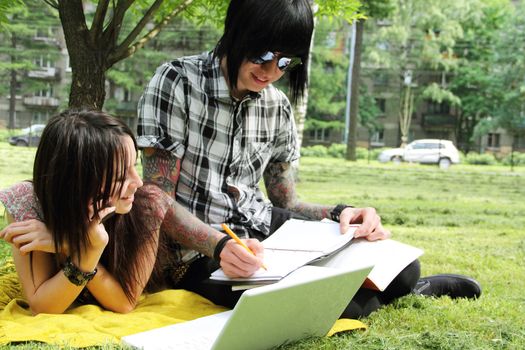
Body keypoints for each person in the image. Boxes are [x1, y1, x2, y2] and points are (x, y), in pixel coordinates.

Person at [137, 0, 480, 317]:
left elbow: (287, 201)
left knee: (403, 266)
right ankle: (393, 297)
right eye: (263, 54)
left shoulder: (277, 106)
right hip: (197, 252)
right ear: (236, 34)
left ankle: (403, 286)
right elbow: (157, 200)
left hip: (263, 229)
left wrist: (341, 214)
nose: (271, 71)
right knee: (331, 305)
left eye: (285, 61)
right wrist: (219, 245)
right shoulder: (177, 82)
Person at [0, 110, 265, 315]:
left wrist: (76, 245)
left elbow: (125, 301)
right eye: (119, 176)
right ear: (75, 181)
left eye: (134, 166)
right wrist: (88, 249)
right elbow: (42, 305)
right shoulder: (30, 203)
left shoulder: (147, 204)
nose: (137, 182)